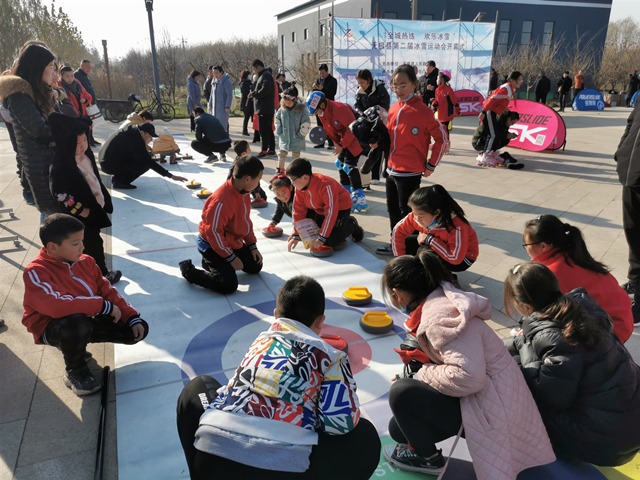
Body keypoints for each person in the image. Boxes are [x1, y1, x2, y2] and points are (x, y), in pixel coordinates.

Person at [176, 275, 381, 479]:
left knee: (197, 387)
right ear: (321, 321)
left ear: (276, 315)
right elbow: (339, 424)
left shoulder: (261, 340)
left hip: (212, 459)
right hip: (281, 468)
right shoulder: (331, 356)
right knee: (365, 435)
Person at [382, 250, 555, 478]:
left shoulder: (438, 318)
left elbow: (469, 378)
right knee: (399, 427)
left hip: (494, 408)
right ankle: (421, 449)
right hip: (494, 397)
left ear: (398, 294)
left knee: (401, 393)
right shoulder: (442, 300)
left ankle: (429, 460)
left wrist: (421, 375)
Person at [503, 262, 640, 466]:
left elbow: (548, 398)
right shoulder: (580, 308)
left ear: (525, 306)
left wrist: (522, 347)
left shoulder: (551, 337)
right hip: (630, 427)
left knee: (514, 380)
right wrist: (516, 343)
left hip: (607, 445)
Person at [22, 214, 149, 396]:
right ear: (52, 247)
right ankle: (75, 371)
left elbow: (107, 291)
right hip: (52, 326)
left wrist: (131, 317)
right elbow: (56, 306)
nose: (82, 247)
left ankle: (76, 345)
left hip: (86, 317)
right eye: (75, 243)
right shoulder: (36, 271)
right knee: (75, 324)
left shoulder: (86, 261)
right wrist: (101, 306)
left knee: (135, 330)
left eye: (82, 240)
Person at [522, 214, 634, 342]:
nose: (526, 249)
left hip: (609, 332)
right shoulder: (573, 254)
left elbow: (547, 315)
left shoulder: (550, 273)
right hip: (623, 319)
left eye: (526, 245)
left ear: (543, 246)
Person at [376, 64, 446, 256]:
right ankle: (395, 243)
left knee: (408, 214)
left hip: (410, 171)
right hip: (391, 168)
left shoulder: (423, 111)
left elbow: (442, 138)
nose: (398, 89)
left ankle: (411, 250)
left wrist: (431, 164)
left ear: (414, 84)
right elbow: (390, 136)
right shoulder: (393, 108)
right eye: (395, 85)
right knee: (392, 209)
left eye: (403, 85)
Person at [49, 112, 121, 284]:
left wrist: (104, 198)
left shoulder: (86, 156)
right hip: (79, 215)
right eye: (77, 143)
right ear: (66, 143)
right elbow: (59, 193)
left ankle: (97, 274)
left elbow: (95, 178)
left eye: (85, 140)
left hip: (94, 208)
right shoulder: (61, 165)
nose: (83, 146)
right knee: (86, 245)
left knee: (95, 241)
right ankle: (97, 276)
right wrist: (81, 210)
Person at [179, 156, 264, 294]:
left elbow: (245, 221)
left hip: (231, 241)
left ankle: (211, 264)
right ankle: (189, 270)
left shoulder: (244, 193)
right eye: (258, 179)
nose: (259, 182)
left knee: (255, 266)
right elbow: (213, 233)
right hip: (212, 245)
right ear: (247, 179)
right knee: (228, 285)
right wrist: (231, 258)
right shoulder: (221, 200)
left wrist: (251, 245)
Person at [0, 41, 59, 216]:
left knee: (56, 214)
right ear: (37, 67)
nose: (54, 72)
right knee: (52, 216)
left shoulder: (37, 90)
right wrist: (67, 129)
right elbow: (40, 130)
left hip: (49, 161)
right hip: (40, 165)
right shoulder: (19, 94)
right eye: (50, 67)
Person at [391, 185, 478, 274]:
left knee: (424, 252)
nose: (416, 218)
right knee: (406, 242)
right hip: (438, 245)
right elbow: (397, 232)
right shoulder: (416, 216)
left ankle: (439, 277)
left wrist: (429, 239)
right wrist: (400, 260)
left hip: (463, 259)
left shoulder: (457, 226)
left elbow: (455, 258)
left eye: (420, 216)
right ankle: (425, 270)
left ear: (437, 212)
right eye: (414, 213)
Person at [306, 91, 368, 212]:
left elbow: (353, 129)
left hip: (357, 138)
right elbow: (330, 130)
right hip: (345, 140)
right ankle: (345, 192)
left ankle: (359, 197)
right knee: (339, 164)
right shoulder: (322, 113)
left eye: (317, 111)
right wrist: (337, 143)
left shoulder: (340, 109)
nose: (317, 114)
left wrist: (341, 144)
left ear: (322, 105)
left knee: (349, 166)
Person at [286, 158, 364, 252]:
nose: (291, 183)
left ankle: (352, 224)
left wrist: (322, 238)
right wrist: (296, 234)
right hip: (320, 209)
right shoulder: (299, 187)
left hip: (340, 209)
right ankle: (333, 231)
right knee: (315, 233)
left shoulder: (326, 185)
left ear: (305, 177)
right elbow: (298, 211)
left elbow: (331, 212)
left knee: (331, 240)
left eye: (292, 179)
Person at [99, 123, 187, 189]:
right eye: (150, 136)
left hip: (108, 161)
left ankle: (118, 178)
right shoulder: (134, 140)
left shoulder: (131, 132)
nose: (151, 139)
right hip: (109, 165)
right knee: (145, 163)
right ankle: (120, 182)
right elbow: (148, 162)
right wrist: (171, 176)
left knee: (144, 157)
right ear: (142, 133)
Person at [616, 101, 640, 323]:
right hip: (631, 172)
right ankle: (636, 281)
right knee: (633, 232)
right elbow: (632, 121)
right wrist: (622, 150)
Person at [0, 69, 35, 205]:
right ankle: (26, 188)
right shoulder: (9, 99)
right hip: (18, 133)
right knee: (22, 155)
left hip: (24, 132)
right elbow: (8, 116)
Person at [476, 71, 524, 167]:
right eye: (519, 79)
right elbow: (492, 99)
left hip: (492, 112)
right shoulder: (506, 89)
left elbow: (500, 101)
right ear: (512, 80)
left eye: (521, 80)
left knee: (496, 134)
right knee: (493, 135)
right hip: (489, 111)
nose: (521, 81)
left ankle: (491, 153)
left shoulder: (509, 89)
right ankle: (486, 155)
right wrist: (483, 112)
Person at [354, 69, 390, 184]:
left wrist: (374, 112)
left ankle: (376, 176)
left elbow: (385, 105)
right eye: (359, 83)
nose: (360, 85)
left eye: (362, 82)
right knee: (367, 147)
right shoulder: (359, 92)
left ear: (369, 80)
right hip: (367, 122)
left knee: (377, 147)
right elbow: (357, 106)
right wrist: (363, 114)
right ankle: (366, 177)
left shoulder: (380, 89)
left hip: (380, 121)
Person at [275, 83, 310, 174]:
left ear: (295, 99)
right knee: (281, 153)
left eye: (289, 100)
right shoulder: (282, 109)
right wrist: (279, 130)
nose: (287, 102)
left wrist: (300, 135)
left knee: (295, 155)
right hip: (284, 136)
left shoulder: (302, 110)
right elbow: (277, 119)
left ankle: (294, 170)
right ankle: (280, 169)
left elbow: (306, 123)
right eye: (285, 99)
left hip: (297, 138)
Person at [249, 59, 276, 157]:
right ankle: (271, 149)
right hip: (264, 107)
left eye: (254, 69)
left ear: (259, 67)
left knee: (264, 130)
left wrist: (254, 94)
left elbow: (265, 90)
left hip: (264, 108)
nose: (254, 71)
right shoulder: (264, 75)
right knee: (268, 130)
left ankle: (264, 150)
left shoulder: (266, 76)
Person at [232, 140, 268, 208]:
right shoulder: (235, 165)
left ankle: (252, 193)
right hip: (240, 185)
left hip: (250, 183)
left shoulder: (250, 162)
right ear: (243, 154)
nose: (250, 150)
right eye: (248, 149)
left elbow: (255, 178)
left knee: (263, 197)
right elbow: (230, 178)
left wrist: (256, 192)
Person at [431, 69, 460, 152]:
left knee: (445, 130)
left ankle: (447, 144)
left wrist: (458, 111)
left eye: (438, 78)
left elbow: (454, 101)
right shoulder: (437, 89)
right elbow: (437, 99)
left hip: (447, 114)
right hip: (439, 113)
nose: (436, 80)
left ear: (442, 79)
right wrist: (434, 103)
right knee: (439, 129)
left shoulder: (448, 90)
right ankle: (439, 143)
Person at [74, 59, 100, 146]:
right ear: (81, 66)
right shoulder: (76, 75)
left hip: (90, 103)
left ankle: (91, 139)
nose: (89, 69)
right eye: (87, 67)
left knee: (91, 122)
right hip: (84, 104)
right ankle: (88, 140)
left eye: (90, 67)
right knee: (86, 123)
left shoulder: (84, 76)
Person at [312, 63, 337, 149]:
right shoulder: (318, 80)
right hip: (319, 105)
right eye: (320, 73)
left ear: (327, 71)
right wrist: (314, 88)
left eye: (323, 73)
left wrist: (323, 89)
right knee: (320, 124)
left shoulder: (333, 80)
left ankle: (331, 143)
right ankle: (321, 142)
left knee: (329, 124)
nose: (321, 75)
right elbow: (315, 93)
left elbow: (332, 93)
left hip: (328, 105)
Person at [208, 65, 232, 133]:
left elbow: (229, 95)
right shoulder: (214, 82)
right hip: (214, 108)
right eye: (213, 73)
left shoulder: (226, 81)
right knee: (214, 125)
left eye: (216, 73)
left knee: (222, 126)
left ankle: (224, 138)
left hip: (223, 108)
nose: (215, 75)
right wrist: (210, 104)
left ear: (221, 72)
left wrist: (227, 106)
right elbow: (211, 94)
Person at [239, 69, 252, 136]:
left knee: (249, 116)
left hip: (249, 102)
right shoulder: (243, 83)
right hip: (246, 103)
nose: (250, 76)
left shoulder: (249, 82)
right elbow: (245, 92)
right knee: (246, 117)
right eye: (249, 75)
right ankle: (244, 130)